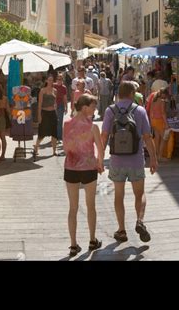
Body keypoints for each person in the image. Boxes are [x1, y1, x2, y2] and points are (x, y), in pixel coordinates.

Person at [101, 81, 158, 243]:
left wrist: (99, 158)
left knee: (119, 195)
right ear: (132, 94)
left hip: (117, 160)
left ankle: (121, 230)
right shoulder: (140, 110)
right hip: (136, 160)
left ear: (119, 93)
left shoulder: (110, 110)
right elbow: (148, 137)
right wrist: (153, 158)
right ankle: (140, 221)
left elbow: (104, 135)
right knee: (139, 194)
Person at [63, 94, 105, 257]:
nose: (95, 110)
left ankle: (73, 245)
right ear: (85, 107)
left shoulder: (66, 124)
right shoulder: (93, 127)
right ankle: (92, 239)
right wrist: (100, 164)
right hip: (89, 167)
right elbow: (100, 149)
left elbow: (66, 148)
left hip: (71, 167)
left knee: (73, 208)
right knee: (90, 205)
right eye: (93, 107)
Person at [34, 74, 59, 157]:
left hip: (52, 113)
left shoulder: (55, 90)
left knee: (54, 133)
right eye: (49, 80)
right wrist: (39, 115)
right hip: (44, 113)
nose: (51, 81)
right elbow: (40, 103)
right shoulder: (42, 90)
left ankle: (54, 151)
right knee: (42, 132)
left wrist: (56, 111)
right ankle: (36, 147)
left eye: (52, 80)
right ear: (46, 81)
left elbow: (55, 102)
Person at [148, 88, 170, 162]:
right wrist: (166, 124)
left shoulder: (153, 100)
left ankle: (156, 156)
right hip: (159, 121)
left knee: (157, 139)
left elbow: (150, 111)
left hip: (153, 120)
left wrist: (151, 121)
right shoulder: (162, 101)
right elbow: (163, 113)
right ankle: (160, 156)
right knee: (163, 139)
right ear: (163, 94)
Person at [54, 73, 68, 144]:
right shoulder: (53, 86)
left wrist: (66, 107)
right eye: (58, 79)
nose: (59, 80)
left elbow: (65, 98)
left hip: (61, 105)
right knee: (54, 121)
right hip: (53, 106)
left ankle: (59, 137)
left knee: (60, 122)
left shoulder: (64, 87)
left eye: (60, 79)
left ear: (62, 80)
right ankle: (54, 136)